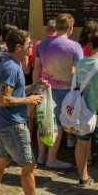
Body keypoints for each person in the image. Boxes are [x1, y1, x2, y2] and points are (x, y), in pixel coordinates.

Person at [0, 29, 49, 195]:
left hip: (6, 124)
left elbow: (16, 92)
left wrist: (35, 86)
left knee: (2, 161)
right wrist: (30, 100)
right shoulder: (11, 68)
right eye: (29, 44)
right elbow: (4, 99)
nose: (31, 47)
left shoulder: (13, 65)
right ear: (19, 47)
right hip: (13, 126)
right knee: (29, 165)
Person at [32, 13, 83, 168]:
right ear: (71, 28)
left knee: (44, 121)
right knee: (58, 124)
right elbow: (81, 70)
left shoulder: (42, 44)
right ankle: (52, 159)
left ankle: (41, 156)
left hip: (44, 87)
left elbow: (37, 68)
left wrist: (35, 86)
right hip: (65, 88)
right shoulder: (74, 46)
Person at [72, 31, 98, 188]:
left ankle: (83, 178)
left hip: (82, 110)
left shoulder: (82, 62)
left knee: (81, 144)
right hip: (94, 111)